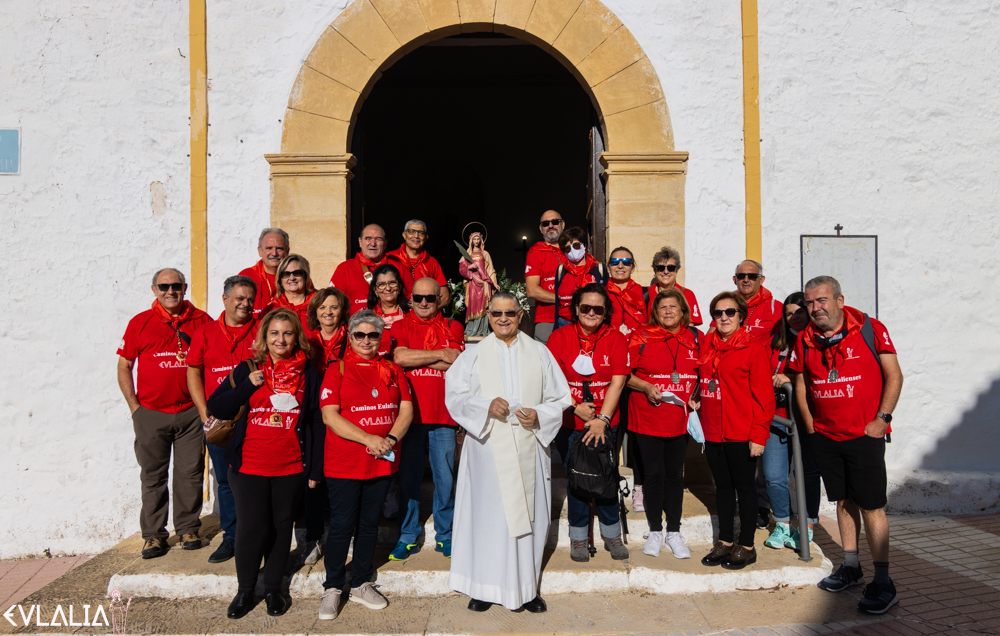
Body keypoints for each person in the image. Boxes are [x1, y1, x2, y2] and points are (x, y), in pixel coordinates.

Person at [444, 291, 572, 612]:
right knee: (488, 518)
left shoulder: (540, 352)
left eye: (510, 314)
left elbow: (560, 398)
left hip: (529, 445)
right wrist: (485, 405)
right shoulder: (473, 354)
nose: (504, 319)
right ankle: (483, 587)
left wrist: (541, 414)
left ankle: (527, 589)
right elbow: (454, 396)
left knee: (529, 517)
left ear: (520, 316)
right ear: (488, 316)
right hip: (487, 449)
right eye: (497, 314)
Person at [789, 276, 903, 614]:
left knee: (871, 505)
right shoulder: (806, 339)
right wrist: (811, 426)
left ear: (840, 300)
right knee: (842, 500)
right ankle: (851, 566)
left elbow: (894, 375)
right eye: (810, 303)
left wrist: (882, 419)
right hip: (826, 436)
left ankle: (883, 581)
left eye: (822, 300)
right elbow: (800, 383)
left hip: (864, 435)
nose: (815, 308)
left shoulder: (870, 328)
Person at [206, 308, 324, 619]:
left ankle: (273, 588)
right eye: (274, 333)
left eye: (287, 333)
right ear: (264, 337)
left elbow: (314, 421)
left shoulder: (308, 372)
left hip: (290, 464)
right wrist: (247, 386)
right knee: (251, 528)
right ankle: (245, 590)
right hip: (249, 465)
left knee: (282, 526)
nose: (280, 339)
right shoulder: (249, 369)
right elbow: (215, 405)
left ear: (296, 336)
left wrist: (314, 468)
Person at [317, 310, 413, 620]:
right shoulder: (337, 369)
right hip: (345, 462)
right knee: (343, 525)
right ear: (351, 335)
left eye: (373, 335)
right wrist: (368, 439)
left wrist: (390, 439)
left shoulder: (393, 370)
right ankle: (332, 586)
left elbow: (406, 410)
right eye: (361, 335)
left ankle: (359, 582)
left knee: (370, 523)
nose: (367, 340)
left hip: (382, 461)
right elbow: (330, 415)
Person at [116, 268, 212, 559]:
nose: (171, 291)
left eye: (176, 286)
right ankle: (154, 536)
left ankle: (187, 529)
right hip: (151, 414)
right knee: (153, 476)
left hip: (189, 414)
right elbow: (124, 366)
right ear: (154, 289)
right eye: (164, 286)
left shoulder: (201, 321)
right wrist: (136, 409)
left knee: (190, 473)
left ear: (184, 287)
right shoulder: (140, 323)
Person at [692, 292, 774, 570]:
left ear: (741, 315)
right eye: (718, 313)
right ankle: (726, 541)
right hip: (714, 430)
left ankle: (747, 546)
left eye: (730, 312)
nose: (724, 317)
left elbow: (765, 398)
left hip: (742, 431)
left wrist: (759, 436)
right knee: (723, 488)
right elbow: (704, 378)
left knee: (745, 489)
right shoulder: (708, 345)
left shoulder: (753, 348)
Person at [548, 283, 629, 562]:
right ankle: (579, 538)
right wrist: (576, 405)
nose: (591, 313)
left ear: (605, 312)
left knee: (606, 475)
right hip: (571, 422)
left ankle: (612, 533)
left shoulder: (616, 338)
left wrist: (602, 420)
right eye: (585, 307)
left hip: (606, 422)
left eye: (598, 309)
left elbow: (618, 381)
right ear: (575, 309)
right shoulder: (559, 337)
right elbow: (552, 380)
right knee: (577, 479)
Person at [390, 278, 466, 561]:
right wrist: (438, 355)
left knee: (444, 478)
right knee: (408, 478)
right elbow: (399, 357)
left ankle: (445, 535)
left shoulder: (453, 326)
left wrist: (418, 357)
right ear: (411, 298)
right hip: (409, 417)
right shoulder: (400, 326)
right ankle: (408, 535)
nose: (424, 303)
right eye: (418, 297)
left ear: (439, 299)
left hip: (443, 414)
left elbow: (456, 360)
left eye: (430, 298)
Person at [186, 275, 258, 564]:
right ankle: (232, 538)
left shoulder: (261, 330)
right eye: (240, 298)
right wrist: (205, 413)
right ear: (225, 299)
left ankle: (255, 535)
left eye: (250, 299)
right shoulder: (205, 333)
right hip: (219, 422)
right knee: (226, 481)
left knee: (253, 480)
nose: (245, 304)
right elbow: (193, 371)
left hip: (254, 421)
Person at [627, 288, 700, 559]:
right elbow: (625, 374)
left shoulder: (696, 338)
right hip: (648, 417)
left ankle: (674, 531)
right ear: (655, 314)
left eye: (673, 306)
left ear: (683, 310)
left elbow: (706, 374)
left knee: (675, 475)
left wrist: (698, 397)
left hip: (680, 420)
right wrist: (645, 385)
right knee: (653, 474)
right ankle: (655, 529)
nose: (668, 311)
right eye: (662, 308)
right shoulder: (640, 336)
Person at [761, 291, 822, 552]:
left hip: (807, 419)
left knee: (807, 474)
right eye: (788, 314)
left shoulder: (818, 342)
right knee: (774, 475)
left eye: (799, 312)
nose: (794, 318)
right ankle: (782, 523)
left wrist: (790, 379)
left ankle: (806, 527)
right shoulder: (776, 343)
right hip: (777, 419)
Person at [330, 224, 413, 316]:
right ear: (360, 242)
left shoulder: (400, 268)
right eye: (368, 238)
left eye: (378, 239)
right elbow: (332, 304)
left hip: (395, 328)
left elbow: (413, 302)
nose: (373, 244)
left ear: (385, 244)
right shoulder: (345, 269)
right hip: (356, 328)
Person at [525, 209, 567, 343]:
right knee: (546, 361)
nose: (550, 226)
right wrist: (565, 299)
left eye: (555, 222)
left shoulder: (573, 250)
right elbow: (532, 290)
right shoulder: (535, 252)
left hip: (575, 317)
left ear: (563, 224)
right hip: (547, 319)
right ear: (540, 228)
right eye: (545, 223)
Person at [387, 219, 450, 306]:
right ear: (404, 235)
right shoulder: (390, 258)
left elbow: (445, 297)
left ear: (426, 237)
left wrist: (424, 311)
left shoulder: (432, 262)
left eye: (420, 233)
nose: (416, 236)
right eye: (411, 231)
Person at [554, 227, 608, 328]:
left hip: (593, 324)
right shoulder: (561, 270)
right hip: (565, 323)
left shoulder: (599, 268)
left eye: (576, 245)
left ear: (585, 246)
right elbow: (557, 303)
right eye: (567, 248)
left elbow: (606, 299)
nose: (572, 251)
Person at [239, 228, 289, 319]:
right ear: (260, 251)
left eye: (279, 249)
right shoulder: (246, 276)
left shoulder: (297, 277)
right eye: (269, 248)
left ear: (287, 251)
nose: (274, 253)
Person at [647, 246, 703, 327]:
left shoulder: (687, 294)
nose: (666, 271)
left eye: (671, 268)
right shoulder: (645, 294)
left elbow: (690, 325)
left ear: (677, 271)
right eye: (660, 268)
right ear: (655, 271)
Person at [459, 230, 499, 338]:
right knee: (474, 306)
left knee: (485, 305)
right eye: (474, 239)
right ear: (471, 241)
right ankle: (473, 329)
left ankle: (484, 329)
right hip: (473, 283)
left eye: (478, 239)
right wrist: (469, 267)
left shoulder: (485, 254)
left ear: (481, 240)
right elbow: (461, 269)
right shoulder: (467, 254)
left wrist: (494, 283)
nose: (476, 241)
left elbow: (491, 270)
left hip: (485, 284)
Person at [730, 260, 781, 345]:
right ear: (735, 279)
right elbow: (711, 338)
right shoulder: (726, 305)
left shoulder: (775, 308)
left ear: (761, 280)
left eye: (752, 276)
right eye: (741, 276)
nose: (746, 280)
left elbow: (784, 342)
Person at [367, 263, 410, 359]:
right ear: (375, 290)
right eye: (381, 285)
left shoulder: (412, 313)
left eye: (392, 283)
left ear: (399, 287)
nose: (388, 288)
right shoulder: (368, 317)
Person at [307, 287, 350, 374]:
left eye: (334, 307)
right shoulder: (307, 342)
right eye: (322, 308)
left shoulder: (352, 341)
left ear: (342, 311)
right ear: (315, 312)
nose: (328, 312)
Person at [606, 246, 647, 338]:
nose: (620, 266)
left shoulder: (645, 293)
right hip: (609, 350)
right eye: (614, 262)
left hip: (638, 349)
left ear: (632, 268)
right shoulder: (600, 293)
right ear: (608, 268)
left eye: (626, 262)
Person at [267, 254, 316, 327]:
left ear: (305, 276)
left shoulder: (319, 305)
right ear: (280, 280)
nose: (292, 278)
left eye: (297, 273)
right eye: (286, 274)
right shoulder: (270, 310)